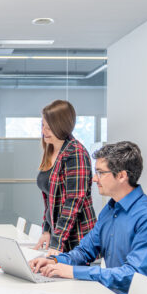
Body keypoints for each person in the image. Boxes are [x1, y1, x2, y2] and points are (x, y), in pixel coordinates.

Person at [29, 141, 147, 294]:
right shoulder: (109, 210)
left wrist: (73, 271)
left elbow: (132, 275)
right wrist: (55, 261)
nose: (95, 179)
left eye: (101, 173)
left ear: (122, 176)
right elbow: (84, 251)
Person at [33, 100, 96, 254]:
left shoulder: (75, 153)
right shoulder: (51, 150)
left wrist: (57, 241)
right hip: (58, 234)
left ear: (61, 126)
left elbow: (73, 202)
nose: (44, 131)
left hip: (75, 240)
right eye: (42, 126)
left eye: (49, 128)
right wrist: (47, 231)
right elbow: (50, 199)